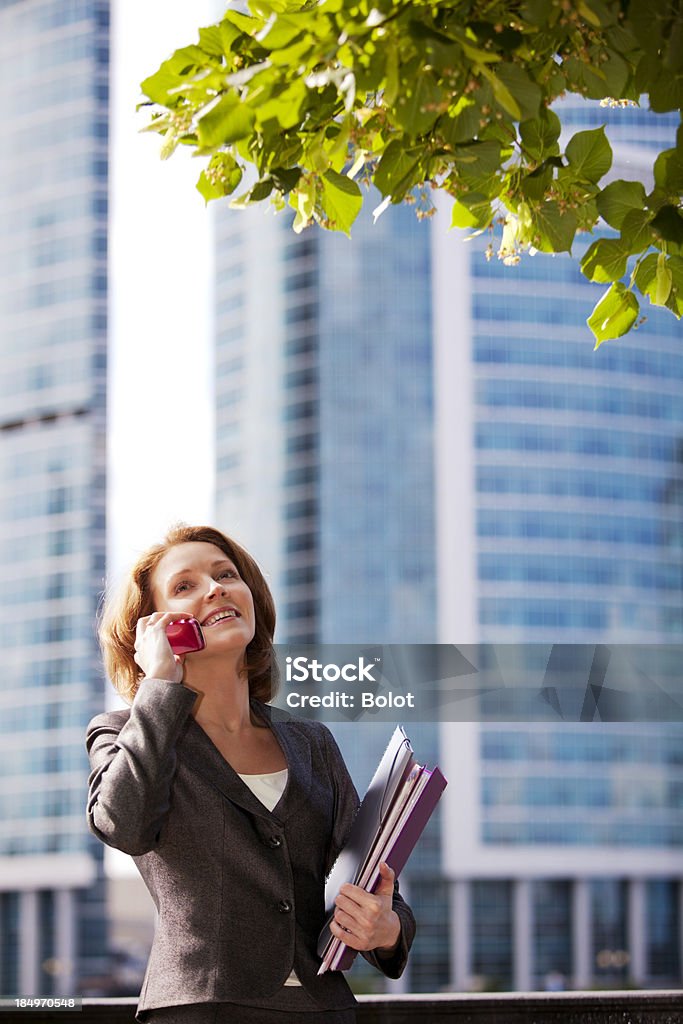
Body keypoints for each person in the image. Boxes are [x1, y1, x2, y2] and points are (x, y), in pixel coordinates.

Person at [87, 524, 415, 1023]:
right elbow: (124, 825)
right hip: (202, 1009)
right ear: (152, 629)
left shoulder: (312, 744)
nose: (215, 588)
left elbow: (375, 882)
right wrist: (159, 685)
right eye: (184, 586)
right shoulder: (124, 733)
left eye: (225, 575)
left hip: (323, 1009)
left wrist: (386, 930)